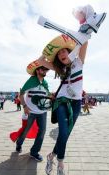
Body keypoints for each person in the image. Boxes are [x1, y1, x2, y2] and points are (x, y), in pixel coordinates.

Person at [37, 34, 88, 175]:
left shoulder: (79, 62)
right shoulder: (60, 69)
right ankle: (60, 164)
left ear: (69, 52)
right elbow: (40, 60)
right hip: (61, 102)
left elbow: (85, 41)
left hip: (76, 104)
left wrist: (84, 27)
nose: (61, 54)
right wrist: (48, 50)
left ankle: (51, 156)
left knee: (65, 135)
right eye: (58, 54)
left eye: (63, 51)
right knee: (64, 132)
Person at [15, 61, 51, 162]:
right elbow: (21, 94)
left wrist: (52, 97)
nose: (45, 71)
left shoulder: (45, 82)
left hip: (42, 112)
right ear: (38, 70)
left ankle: (34, 152)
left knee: (42, 131)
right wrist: (25, 106)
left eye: (46, 70)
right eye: (43, 69)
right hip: (30, 111)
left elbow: (47, 94)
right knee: (26, 130)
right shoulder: (31, 80)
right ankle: (19, 143)